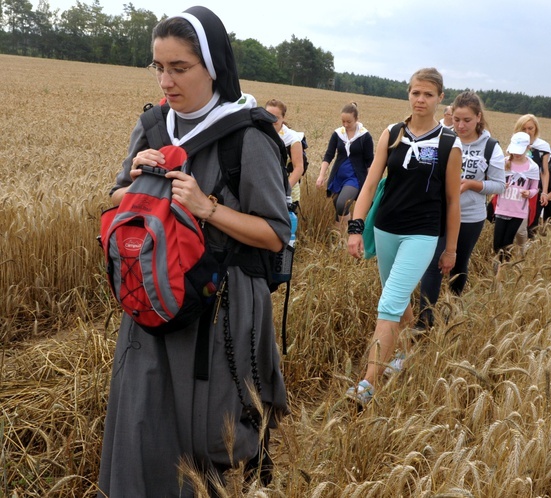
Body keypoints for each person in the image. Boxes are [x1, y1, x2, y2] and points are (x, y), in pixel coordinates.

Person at [98, 7, 290, 496]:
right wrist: (140, 179)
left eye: (179, 68)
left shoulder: (248, 136)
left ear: (213, 66)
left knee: (207, 433)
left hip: (219, 312)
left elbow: (274, 234)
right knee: (144, 422)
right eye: (158, 67)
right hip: (151, 303)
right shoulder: (153, 128)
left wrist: (207, 208)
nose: (166, 80)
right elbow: (117, 202)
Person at [344, 68, 462, 406]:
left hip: (422, 234)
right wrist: (356, 227)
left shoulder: (448, 143)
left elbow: (453, 202)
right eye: (415, 93)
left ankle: (366, 385)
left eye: (428, 94)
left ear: (440, 98)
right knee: (397, 299)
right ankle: (407, 351)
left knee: (389, 302)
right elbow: (369, 184)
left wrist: (450, 249)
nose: (421, 100)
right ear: (408, 94)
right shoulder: (392, 134)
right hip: (385, 229)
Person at [417, 91, 504, 328]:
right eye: (456, 119)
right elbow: (421, 165)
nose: (461, 125)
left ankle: (452, 306)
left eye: (466, 120)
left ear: (478, 117)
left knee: (458, 262)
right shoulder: (442, 138)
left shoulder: (490, 146)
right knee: (435, 263)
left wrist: (472, 185)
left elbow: (500, 185)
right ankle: (425, 319)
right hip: (438, 214)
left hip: (470, 217)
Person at [316, 102, 374, 232]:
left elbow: (370, 161)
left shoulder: (365, 136)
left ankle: (349, 232)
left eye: (349, 122)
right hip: (338, 176)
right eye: (343, 121)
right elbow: (329, 155)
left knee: (342, 204)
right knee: (337, 206)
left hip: (355, 177)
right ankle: (341, 236)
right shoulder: (338, 134)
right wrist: (321, 175)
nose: (346, 125)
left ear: (357, 119)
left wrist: (371, 183)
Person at [492, 132, 540, 260]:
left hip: (519, 211)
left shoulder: (533, 167)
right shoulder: (504, 162)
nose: (516, 154)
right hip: (502, 208)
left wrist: (529, 193)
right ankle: (497, 267)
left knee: (507, 243)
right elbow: (494, 181)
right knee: (497, 243)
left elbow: (535, 188)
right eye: (514, 151)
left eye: (520, 151)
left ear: (528, 148)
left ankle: (504, 269)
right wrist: (501, 185)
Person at [512, 114, 550, 247]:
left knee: (531, 223)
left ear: (536, 129)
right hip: (515, 189)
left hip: (534, 190)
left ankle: (528, 253)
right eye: (524, 129)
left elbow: (544, 172)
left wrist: (544, 192)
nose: (527, 132)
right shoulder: (515, 143)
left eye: (530, 128)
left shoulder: (542, 147)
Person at [265, 98, 304, 209]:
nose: (271, 121)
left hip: (287, 193)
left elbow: (298, 168)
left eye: (276, 118)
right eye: (268, 116)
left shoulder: (292, 139)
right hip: (264, 191)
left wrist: (283, 189)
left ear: (283, 118)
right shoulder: (258, 134)